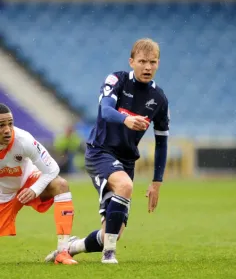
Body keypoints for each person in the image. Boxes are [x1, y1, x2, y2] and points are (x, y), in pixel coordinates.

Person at [45, 38, 170, 264]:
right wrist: (127, 120)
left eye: (152, 62)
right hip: (100, 151)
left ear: (158, 64)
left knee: (112, 232)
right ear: (131, 61)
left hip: (126, 161)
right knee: (125, 185)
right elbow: (105, 111)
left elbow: (162, 141)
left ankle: (72, 247)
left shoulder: (159, 98)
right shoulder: (117, 80)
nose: (147, 67)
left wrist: (156, 182)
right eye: (142, 61)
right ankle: (109, 255)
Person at [0, 103, 77, 264]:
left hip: (29, 182)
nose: (7, 130)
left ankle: (63, 252)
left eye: (10, 123)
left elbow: (52, 168)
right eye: (1, 125)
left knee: (60, 185)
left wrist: (35, 189)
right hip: (3, 194)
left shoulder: (23, 140)